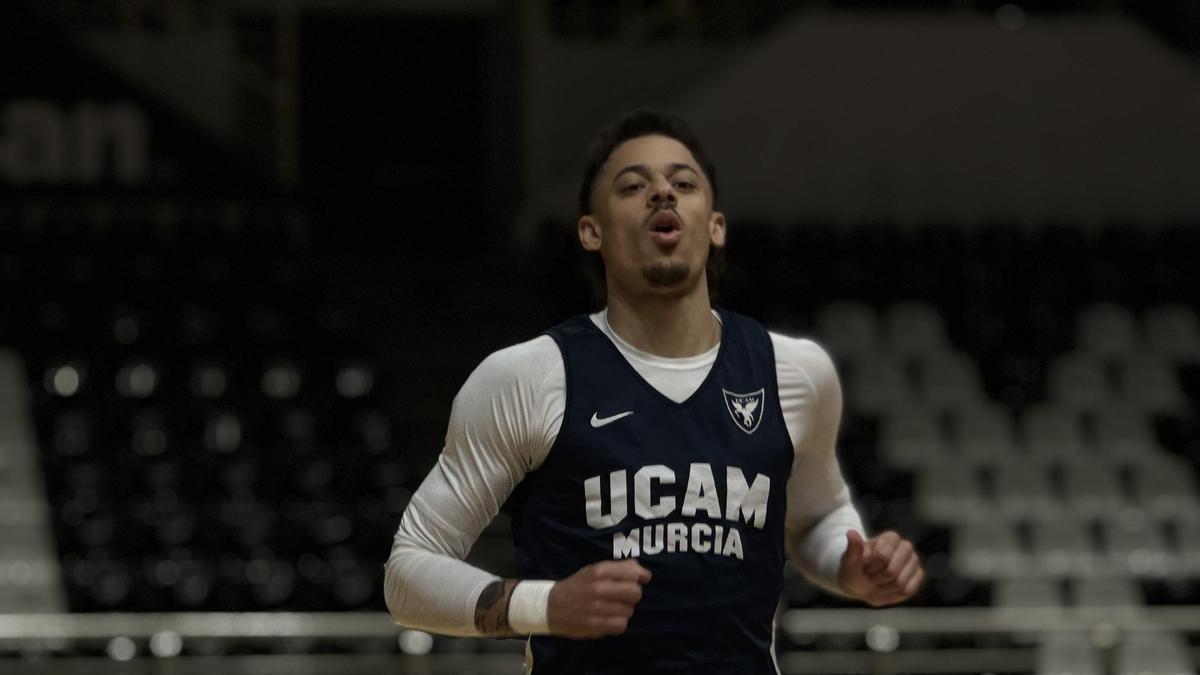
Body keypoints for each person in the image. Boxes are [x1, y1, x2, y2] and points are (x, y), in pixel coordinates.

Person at [384, 110, 924, 673]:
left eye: (683, 183)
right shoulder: (528, 376)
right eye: (632, 186)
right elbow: (407, 572)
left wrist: (849, 565)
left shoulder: (796, 372)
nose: (662, 192)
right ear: (591, 231)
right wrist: (544, 604)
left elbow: (816, 518)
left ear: (715, 225)